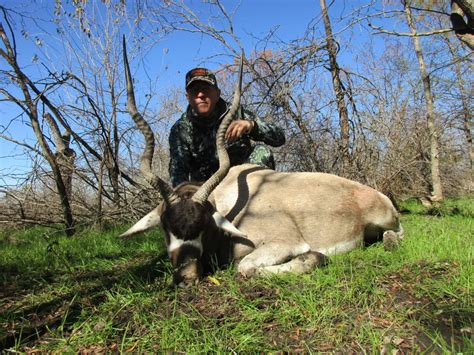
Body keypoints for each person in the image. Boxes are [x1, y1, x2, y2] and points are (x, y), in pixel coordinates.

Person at [168, 67, 285, 187]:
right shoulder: (180, 129)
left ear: (217, 93)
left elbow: (280, 138)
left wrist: (251, 125)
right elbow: (178, 171)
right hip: (206, 192)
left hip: (242, 186)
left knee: (262, 151)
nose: (201, 94)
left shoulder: (237, 113)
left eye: (206, 89)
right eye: (195, 90)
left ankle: (260, 203)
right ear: (188, 97)